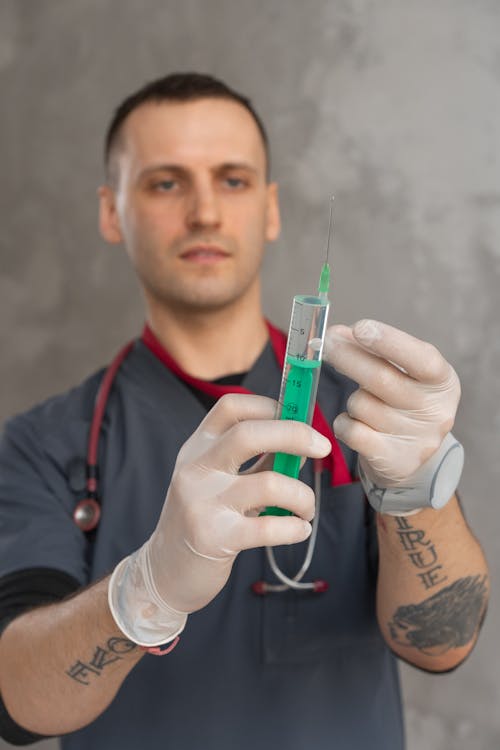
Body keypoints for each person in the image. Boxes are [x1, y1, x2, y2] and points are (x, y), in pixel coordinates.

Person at [0, 72, 489, 750]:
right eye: (165, 183)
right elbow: (20, 702)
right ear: (112, 213)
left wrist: (415, 489)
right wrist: (144, 593)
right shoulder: (44, 446)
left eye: (232, 180)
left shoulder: (369, 416)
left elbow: (443, 643)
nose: (204, 212)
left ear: (270, 208)